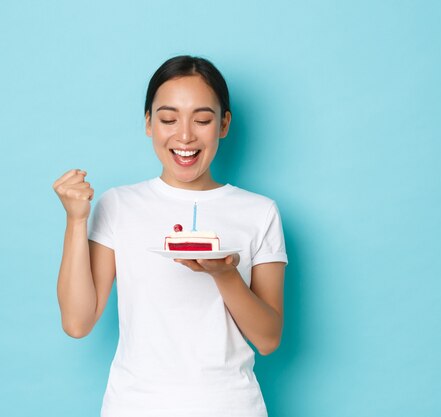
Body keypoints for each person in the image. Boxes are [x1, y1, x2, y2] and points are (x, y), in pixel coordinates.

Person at [52, 55, 288, 417]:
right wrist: (75, 220)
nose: (185, 135)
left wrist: (224, 274)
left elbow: (268, 339)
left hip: (230, 406)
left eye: (203, 119)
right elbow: (77, 322)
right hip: (134, 406)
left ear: (224, 124)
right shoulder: (118, 205)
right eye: (168, 118)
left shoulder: (259, 212)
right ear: (149, 123)